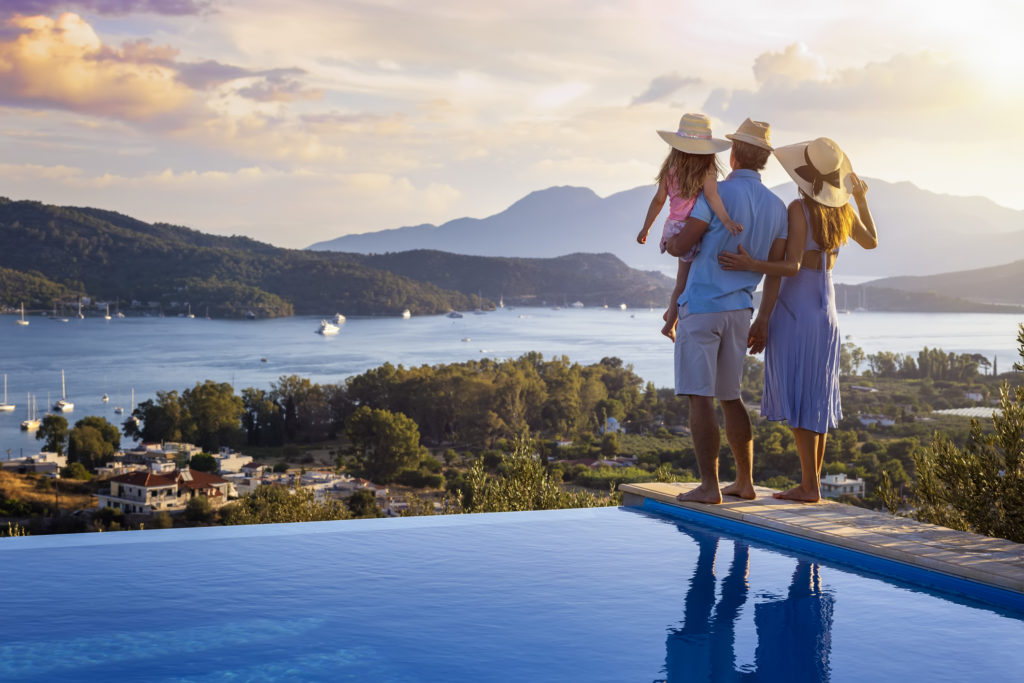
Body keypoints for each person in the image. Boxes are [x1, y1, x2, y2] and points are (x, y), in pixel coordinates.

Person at [718, 137, 878, 502]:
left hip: (797, 311)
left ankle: (809, 486)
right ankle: (812, 484)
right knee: (816, 397)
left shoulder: (798, 209)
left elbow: (788, 267)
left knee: (800, 396)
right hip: (828, 312)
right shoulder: (842, 213)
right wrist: (860, 199)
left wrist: (751, 265)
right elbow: (872, 242)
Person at [664, 118, 788, 504]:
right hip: (741, 311)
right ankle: (745, 482)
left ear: (732, 153)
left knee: (699, 398)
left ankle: (709, 486)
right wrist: (763, 319)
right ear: (764, 160)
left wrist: (668, 243)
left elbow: (686, 242)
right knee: (731, 397)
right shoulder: (778, 207)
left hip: (702, 308)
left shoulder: (715, 192)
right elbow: (775, 273)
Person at [635, 113, 743, 341]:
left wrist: (646, 229)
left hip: (672, 227)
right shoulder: (707, 170)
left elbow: (658, 201)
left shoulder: (671, 169)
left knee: (684, 279)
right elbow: (713, 199)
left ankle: (670, 310)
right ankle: (670, 324)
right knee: (685, 282)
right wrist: (727, 221)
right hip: (692, 231)